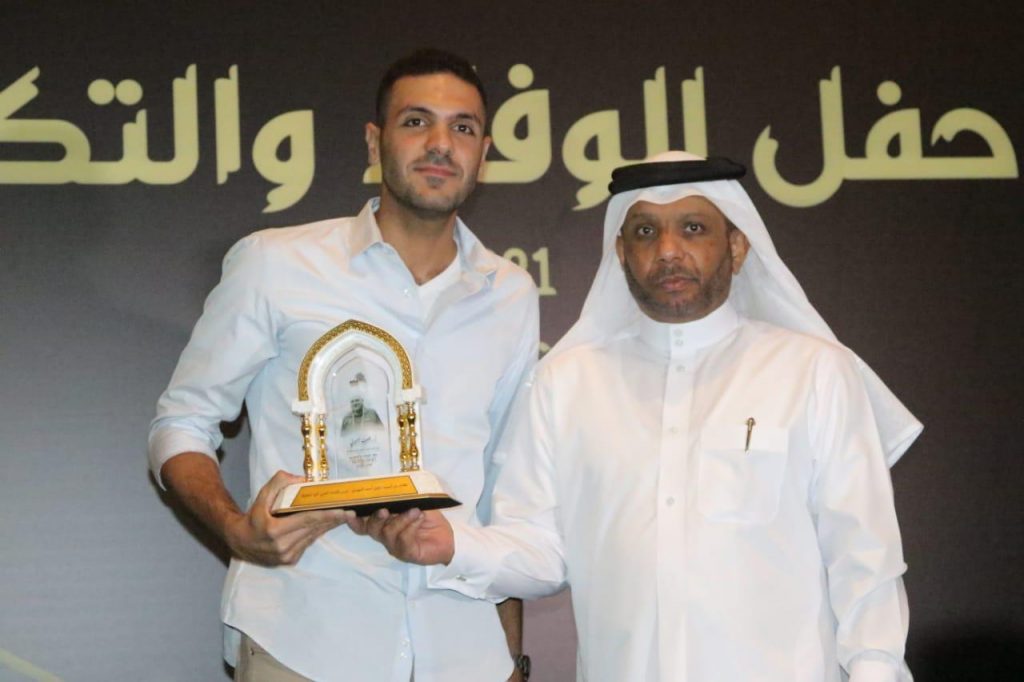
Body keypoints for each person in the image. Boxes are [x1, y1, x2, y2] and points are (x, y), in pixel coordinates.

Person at [356, 152, 922, 682]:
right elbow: (543, 550)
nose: (668, 250)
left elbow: (864, 560)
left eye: (693, 228)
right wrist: (450, 544)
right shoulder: (568, 383)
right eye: (646, 232)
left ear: (737, 247)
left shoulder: (813, 372)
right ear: (622, 253)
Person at [148, 48, 538, 682]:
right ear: (375, 141)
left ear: (483, 152)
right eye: (417, 122)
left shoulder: (510, 293)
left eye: (462, 128)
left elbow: (504, 483)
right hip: (305, 638)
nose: (441, 144)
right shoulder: (276, 264)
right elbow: (181, 424)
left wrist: (510, 657)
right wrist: (236, 530)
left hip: (463, 651)